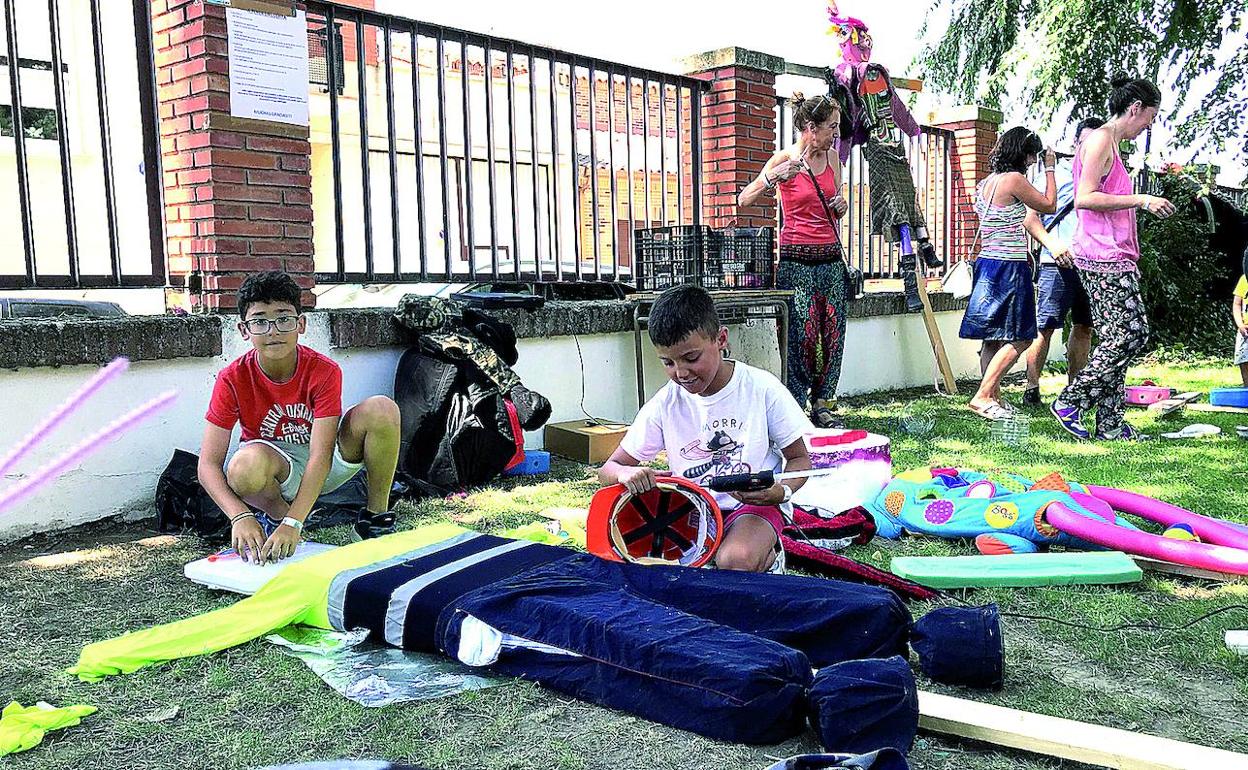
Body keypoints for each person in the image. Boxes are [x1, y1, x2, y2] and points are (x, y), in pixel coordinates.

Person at [599, 284, 813, 572]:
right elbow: (609, 469)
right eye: (668, 362)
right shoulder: (666, 402)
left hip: (753, 508)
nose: (681, 372)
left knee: (734, 560)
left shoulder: (761, 389)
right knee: (652, 564)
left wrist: (781, 493)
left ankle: (770, 557)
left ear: (721, 339)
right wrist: (626, 473)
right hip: (690, 509)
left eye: (691, 358)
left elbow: (800, 460)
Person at [198, 270, 402, 563]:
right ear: (244, 330)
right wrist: (239, 515)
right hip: (278, 469)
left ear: (301, 324)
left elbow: (320, 456)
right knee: (242, 466)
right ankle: (278, 519)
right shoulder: (232, 378)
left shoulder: (323, 370)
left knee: (382, 408)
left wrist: (294, 523)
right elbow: (207, 465)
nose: (273, 330)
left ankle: (374, 519)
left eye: (284, 318)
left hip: (327, 461)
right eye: (260, 321)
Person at [1051, 75, 1176, 440]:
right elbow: (1084, 197)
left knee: (1113, 337)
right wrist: (1142, 200)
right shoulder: (1101, 140)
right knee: (1132, 333)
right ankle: (1072, 400)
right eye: (1149, 118)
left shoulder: (1110, 144)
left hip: (1111, 254)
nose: (1148, 126)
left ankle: (1109, 423)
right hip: (1103, 255)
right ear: (1134, 109)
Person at [738, 91, 850, 429]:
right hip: (795, 260)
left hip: (830, 258)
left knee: (833, 333)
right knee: (800, 336)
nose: (836, 134)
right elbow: (744, 199)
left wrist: (841, 207)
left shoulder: (833, 161)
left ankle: (823, 403)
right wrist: (774, 178)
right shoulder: (782, 160)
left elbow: (836, 204)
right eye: (832, 127)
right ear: (811, 128)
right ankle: (795, 405)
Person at [959, 127, 1057, 420]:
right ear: (1022, 153)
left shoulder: (987, 182)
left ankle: (994, 398)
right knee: (1022, 336)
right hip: (1009, 267)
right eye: (1032, 155)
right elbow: (1048, 206)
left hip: (987, 264)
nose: (1032, 161)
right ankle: (984, 395)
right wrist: (1050, 168)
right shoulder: (1015, 180)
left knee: (992, 336)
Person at [1021, 117, 1105, 406]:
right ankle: (1032, 388)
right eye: (1086, 141)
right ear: (1075, 144)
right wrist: (1053, 245)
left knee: (1084, 326)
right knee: (1045, 325)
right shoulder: (1056, 175)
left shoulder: (1106, 177)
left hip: (1093, 262)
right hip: (1057, 262)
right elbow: (1031, 221)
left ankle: (1074, 391)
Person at [1233, 265, 1248, 387]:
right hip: (1245, 330)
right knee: (1243, 359)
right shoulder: (1244, 279)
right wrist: (1240, 324)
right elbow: (1237, 304)